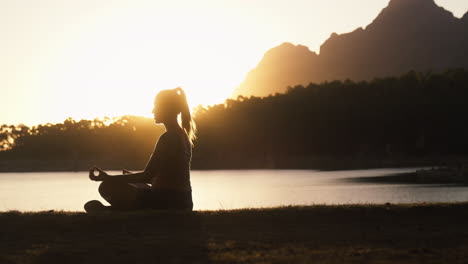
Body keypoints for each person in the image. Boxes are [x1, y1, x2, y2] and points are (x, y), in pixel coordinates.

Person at [84, 87, 196, 212]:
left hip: (167, 200)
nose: (153, 110)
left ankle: (115, 211)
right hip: (183, 201)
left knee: (106, 186)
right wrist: (132, 177)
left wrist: (107, 178)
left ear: (167, 109)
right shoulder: (182, 135)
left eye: (156, 106)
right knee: (126, 185)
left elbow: (146, 177)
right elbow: (165, 176)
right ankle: (117, 210)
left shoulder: (169, 137)